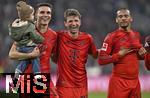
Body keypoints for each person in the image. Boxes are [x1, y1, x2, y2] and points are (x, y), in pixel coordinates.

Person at [9, 2, 58, 98]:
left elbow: (53, 57)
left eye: (48, 13)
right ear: (36, 15)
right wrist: (30, 55)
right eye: (42, 12)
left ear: (51, 15)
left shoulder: (53, 36)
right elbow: (12, 54)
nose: (45, 15)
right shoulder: (26, 30)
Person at [98, 8, 147, 98]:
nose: (123, 18)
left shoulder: (136, 35)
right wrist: (118, 55)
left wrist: (142, 55)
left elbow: (136, 56)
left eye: (126, 16)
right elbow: (101, 59)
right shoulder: (111, 36)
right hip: (119, 83)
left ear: (131, 18)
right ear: (117, 20)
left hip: (135, 82)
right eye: (120, 16)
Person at [53, 9, 98, 98]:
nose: (73, 24)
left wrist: (109, 49)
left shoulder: (88, 38)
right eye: (70, 21)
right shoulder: (59, 36)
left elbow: (95, 54)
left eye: (76, 20)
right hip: (64, 86)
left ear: (80, 22)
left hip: (81, 86)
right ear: (65, 23)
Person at [8, 1, 44, 87]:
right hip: (29, 47)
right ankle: (38, 80)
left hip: (21, 47)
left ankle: (16, 79)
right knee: (35, 59)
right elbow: (35, 36)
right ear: (28, 16)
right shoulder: (30, 26)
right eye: (33, 15)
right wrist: (41, 40)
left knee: (24, 62)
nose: (34, 16)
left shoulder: (16, 25)